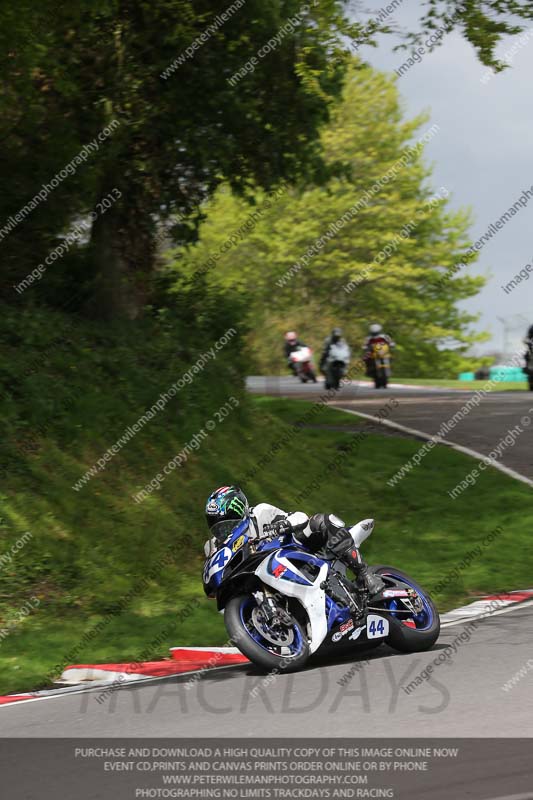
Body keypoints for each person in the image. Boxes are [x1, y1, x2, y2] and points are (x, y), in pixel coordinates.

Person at [203, 485, 383, 596]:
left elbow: (299, 516)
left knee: (319, 522)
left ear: (239, 510)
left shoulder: (260, 513)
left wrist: (283, 525)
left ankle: (365, 574)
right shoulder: (216, 547)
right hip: (265, 577)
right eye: (218, 526)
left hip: (297, 554)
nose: (223, 530)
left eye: (227, 524)